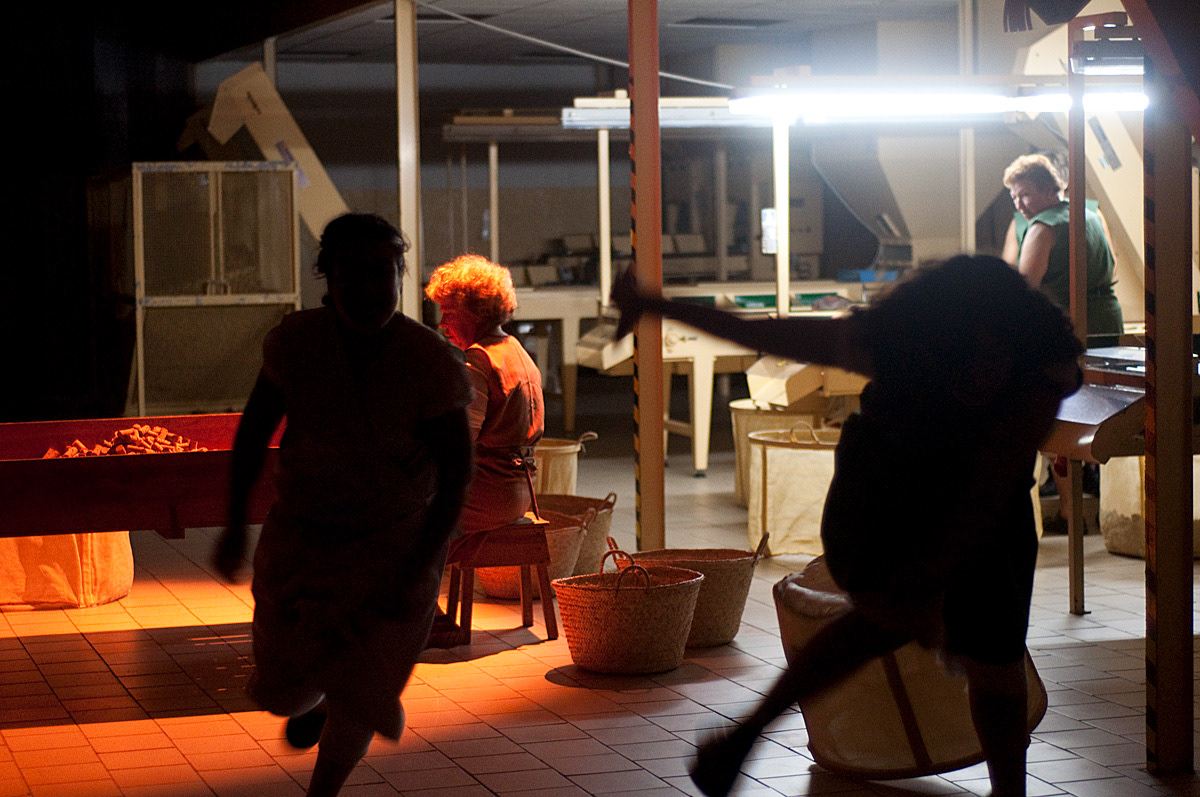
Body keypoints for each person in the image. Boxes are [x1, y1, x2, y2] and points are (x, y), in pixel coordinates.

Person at [611, 255, 1083, 797]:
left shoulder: (1039, 365)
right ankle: (744, 739)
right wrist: (657, 306)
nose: (983, 370)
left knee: (984, 651)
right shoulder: (908, 340)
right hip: (892, 502)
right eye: (973, 354)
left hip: (978, 513)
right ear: (951, 337)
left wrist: (935, 576)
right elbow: (770, 334)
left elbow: (993, 478)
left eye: (994, 356)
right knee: (909, 627)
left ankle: (742, 739)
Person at [212, 213, 473, 797]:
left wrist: (418, 566)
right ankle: (318, 700)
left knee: (364, 691)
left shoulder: (428, 359)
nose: (370, 287)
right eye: (352, 272)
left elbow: (457, 473)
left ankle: (324, 785)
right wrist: (233, 526)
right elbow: (253, 434)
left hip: (395, 548)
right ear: (328, 279)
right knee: (282, 690)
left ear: (401, 275)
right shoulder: (297, 344)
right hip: (303, 541)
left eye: (383, 272)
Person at [425, 255, 544, 536]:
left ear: (477, 312)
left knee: (403, 508)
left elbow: (460, 442)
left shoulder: (479, 360)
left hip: (488, 496)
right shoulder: (516, 350)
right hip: (519, 492)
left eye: (449, 313)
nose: (442, 324)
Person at [1001, 152, 1123, 336]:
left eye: (1025, 195)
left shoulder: (1042, 228)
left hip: (1066, 324)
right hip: (1107, 319)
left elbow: (1025, 290)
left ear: (1049, 189)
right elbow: (1111, 267)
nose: (1019, 205)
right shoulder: (1090, 215)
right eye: (1014, 198)